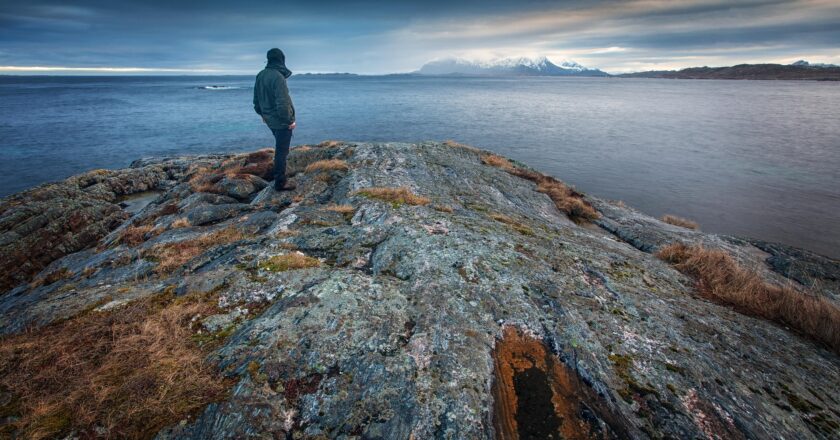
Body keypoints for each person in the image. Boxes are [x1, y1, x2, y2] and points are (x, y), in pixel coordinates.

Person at [254, 48, 297, 191]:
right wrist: (289, 121)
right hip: (281, 121)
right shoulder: (278, 77)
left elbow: (256, 101)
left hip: (270, 120)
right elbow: (283, 103)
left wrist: (263, 116)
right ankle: (280, 182)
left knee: (280, 149)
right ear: (281, 59)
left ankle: (278, 177)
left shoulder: (261, 75)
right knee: (281, 152)